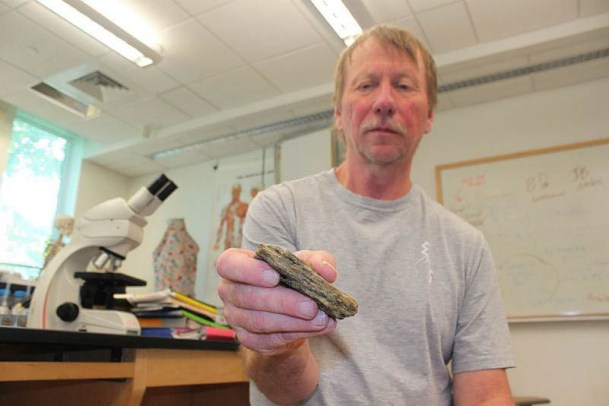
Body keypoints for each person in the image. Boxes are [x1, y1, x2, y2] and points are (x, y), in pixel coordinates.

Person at [216, 25, 514, 405]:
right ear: (339, 113)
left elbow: (485, 394)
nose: (384, 101)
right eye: (366, 85)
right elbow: (283, 391)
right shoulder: (280, 208)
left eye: (404, 86)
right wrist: (278, 342)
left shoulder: (466, 245)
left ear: (429, 116)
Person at [213, 183, 249, 251]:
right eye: (233, 191)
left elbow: (248, 225)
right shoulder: (226, 208)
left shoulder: (244, 206)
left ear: (240, 192)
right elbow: (221, 227)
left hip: (240, 241)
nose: (235, 193)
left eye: (237, 191)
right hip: (228, 241)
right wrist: (217, 242)